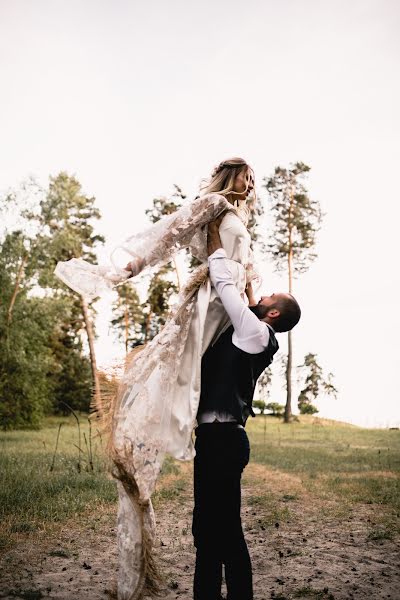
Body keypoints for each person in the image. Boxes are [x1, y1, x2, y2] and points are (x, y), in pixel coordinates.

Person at [54, 158, 262, 599]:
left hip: (231, 304)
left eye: (254, 176)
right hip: (213, 301)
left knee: (219, 372)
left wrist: (250, 296)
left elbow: (246, 285)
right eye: (246, 173)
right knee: (169, 372)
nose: (251, 180)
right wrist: (130, 267)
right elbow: (169, 232)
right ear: (231, 175)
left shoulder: (241, 222)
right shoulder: (213, 205)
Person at [192, 217, 301, 600]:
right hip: (211, 437)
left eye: (268, 298)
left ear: (273, 315)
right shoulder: (255, 330)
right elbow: (248, 297)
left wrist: (214, 248)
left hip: (224, 439)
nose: (261, 297)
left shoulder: (254, 332)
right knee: (205, 530)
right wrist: (249, 271)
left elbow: (226, 288)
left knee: (225, 530)